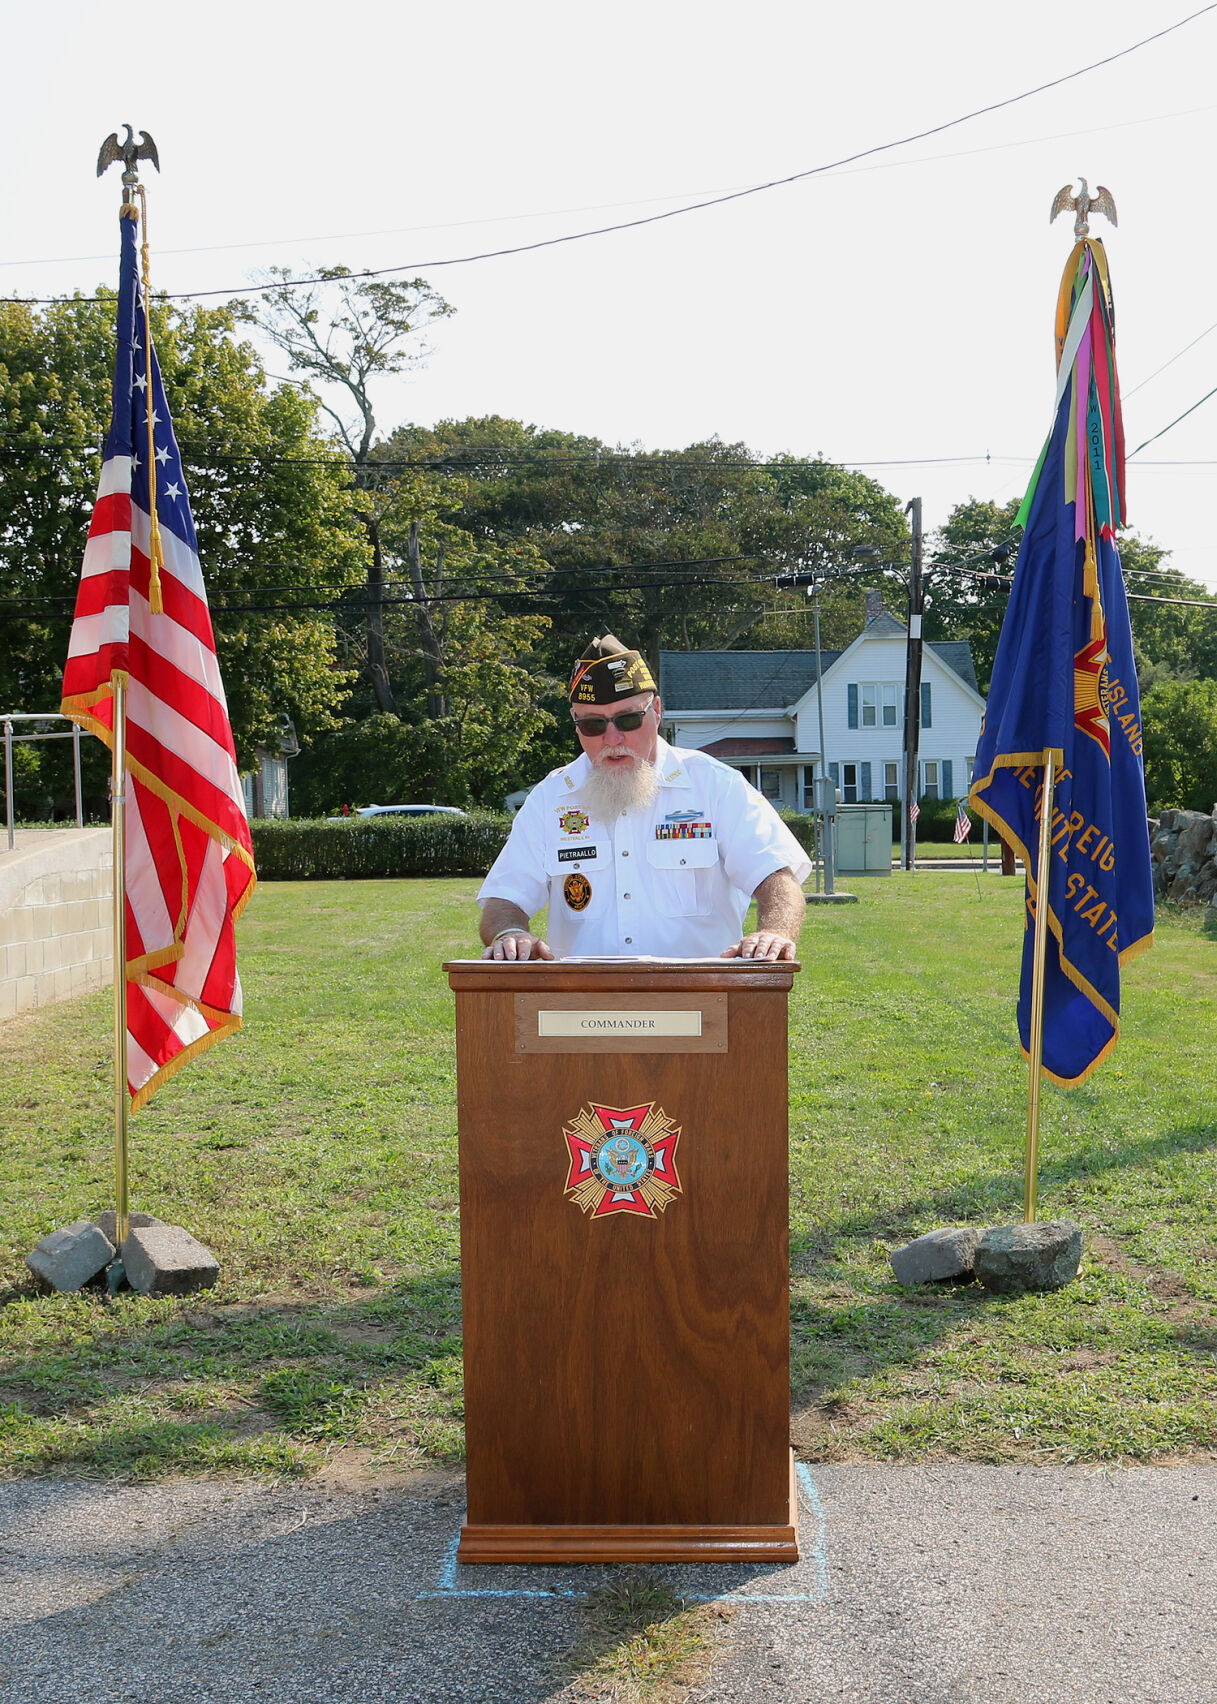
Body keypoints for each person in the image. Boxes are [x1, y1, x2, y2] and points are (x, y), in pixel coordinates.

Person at [479, 634, 810, 961]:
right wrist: (509, 933)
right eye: (593, 725)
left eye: (628, 719)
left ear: (657, 712)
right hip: (583, 1004)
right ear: (576, 724)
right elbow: (504, 898)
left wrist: (775, 933)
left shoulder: (715, 787)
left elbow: (775, 877)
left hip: (702, 998)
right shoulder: (551, 798)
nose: (613, 737)